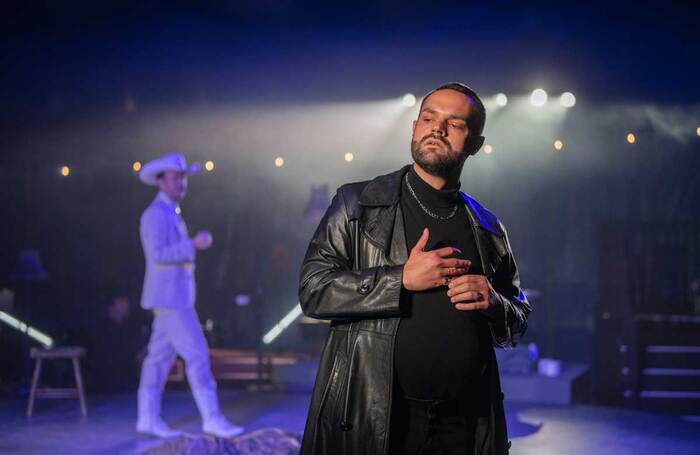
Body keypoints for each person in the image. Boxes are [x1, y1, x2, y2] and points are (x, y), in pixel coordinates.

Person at [298, 83, 531, 454]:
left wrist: (494, 301)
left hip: (465, 424)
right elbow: (313, 289)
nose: (436, 129)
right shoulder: (358, 204)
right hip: (377, 421)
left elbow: (518, 318)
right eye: (428, 118)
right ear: (414, 127)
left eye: (454, 124)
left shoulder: (488, 227)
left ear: (475, 144)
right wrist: (400, 280)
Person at [136, 152, 243, 438]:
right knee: (197, 354)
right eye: (175, 178)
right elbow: (157, 255)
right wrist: (192, 245)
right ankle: (212, 418)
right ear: (161, 182)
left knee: (157, 359)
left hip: (173, 298)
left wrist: (191, 245)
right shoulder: (154, 215)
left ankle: (147, 418)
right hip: (170, 299)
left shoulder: (170, 213)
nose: (181, 183)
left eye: (183, 178)